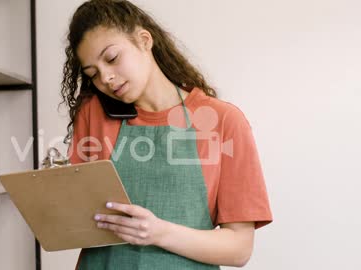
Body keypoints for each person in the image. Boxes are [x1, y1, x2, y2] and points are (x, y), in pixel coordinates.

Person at [60, 0, 273, 269]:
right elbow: (81, 217)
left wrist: (158, 232)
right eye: (94, 74)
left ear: (144, 40)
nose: (107, 78)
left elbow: (239, 249)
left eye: (112, 58)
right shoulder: (93, 113)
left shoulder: (223, 121)